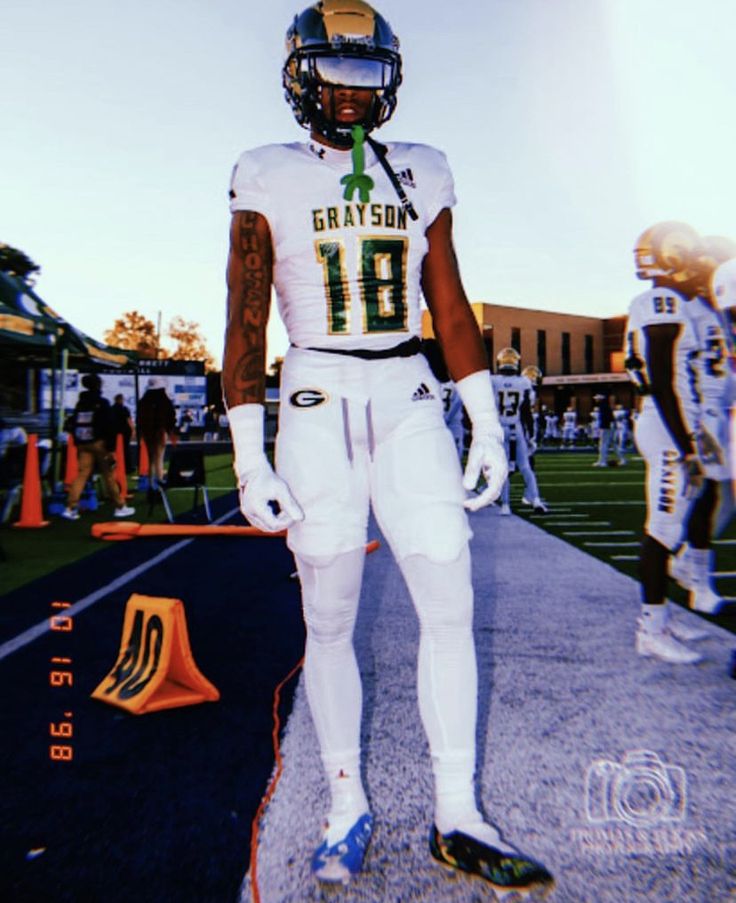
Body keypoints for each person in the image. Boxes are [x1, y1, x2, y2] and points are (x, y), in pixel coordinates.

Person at [222, 1, 552, 894]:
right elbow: (246, 317)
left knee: (447, 596)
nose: (352, 93)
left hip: (408, 394)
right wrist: (250, 453)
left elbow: (449, 303)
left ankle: (459, 812)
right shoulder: (265, 172)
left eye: (369, 75)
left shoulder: (424, 168)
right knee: (328, 617)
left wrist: (483, 418)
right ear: (301, 77)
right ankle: (344, 804)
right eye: (337, 72)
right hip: (316, 396)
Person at [625, 221, 710, 664]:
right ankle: (650, 628)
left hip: (672, 423)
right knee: (660, 530)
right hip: (666, 425)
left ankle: (665, 614)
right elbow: (662, 380)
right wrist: (688, 447)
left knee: (677, 520)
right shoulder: (661, 302)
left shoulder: (674, 302)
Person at [669, 237, 736, 612]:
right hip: (705, 411)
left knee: (725, 497)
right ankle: (698, 581)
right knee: (708, 493)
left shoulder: (716, 310)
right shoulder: (689, 311)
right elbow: (683, 370)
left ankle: (684, 562)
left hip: (723, 410)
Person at [62, 374, 135, 520]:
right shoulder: (102, 402)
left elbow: (73, 422)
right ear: (98, 385)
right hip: (100, 443)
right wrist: (111, 447)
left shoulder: (80, 403)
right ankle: (120, 506)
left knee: (82, 474)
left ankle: (70, 507)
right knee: (108, 475)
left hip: (83, 442)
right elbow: (109, 426)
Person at [491, 348, 546, 515]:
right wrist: (532, 434)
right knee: (525, 466)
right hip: (517, 427)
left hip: (499, 428)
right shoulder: (524, 382)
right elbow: (526, 412)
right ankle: (535, 500)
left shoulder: (492, 380)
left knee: (504, 468)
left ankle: (505, 505)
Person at [137, 377, 176, 488]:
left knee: (151, 459)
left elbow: (140, 419)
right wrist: (167, 430)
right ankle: (159, 484)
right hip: (160, 432)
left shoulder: (143, 401)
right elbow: (171, 417)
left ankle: (150, 484)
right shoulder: (165, 401)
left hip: (148, 432)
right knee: (159, 458)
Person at [111, 393, 135, 473]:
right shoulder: (124, 409)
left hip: (115, 432)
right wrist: (132, 430)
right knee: (126, 450)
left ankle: (116, 466)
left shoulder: (111, 409)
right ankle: (127, 467)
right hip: (124, 432)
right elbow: (129, 420)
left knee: (115, 450)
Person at [592, 393, 614, 466]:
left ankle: (603, 461)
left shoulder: (603, 406)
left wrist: (604, 426)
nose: (596, 400)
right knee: (602, 444)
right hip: (605, 426)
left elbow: (607, 418)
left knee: (603, 444)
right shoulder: (604, 406)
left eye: (597, 399)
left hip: (605, 427)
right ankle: (601, 460)